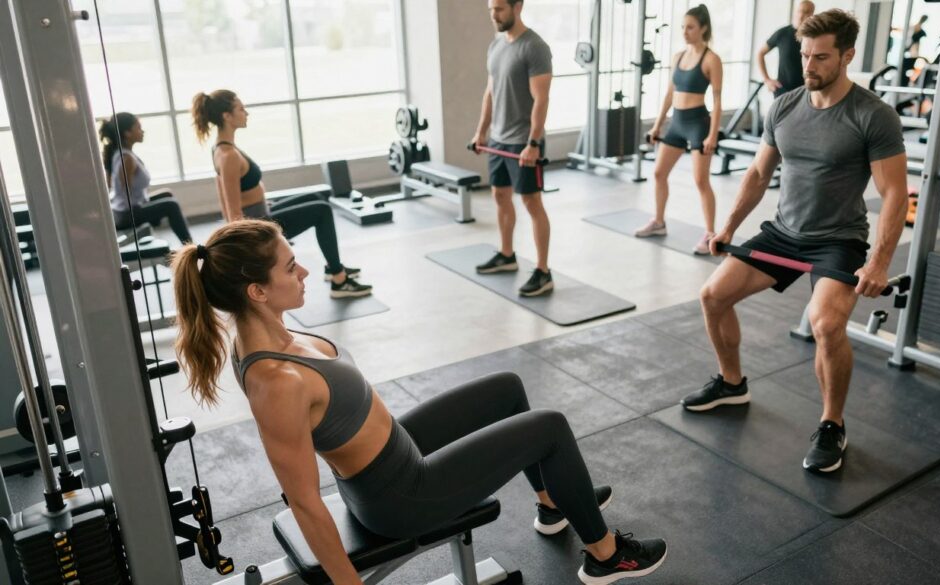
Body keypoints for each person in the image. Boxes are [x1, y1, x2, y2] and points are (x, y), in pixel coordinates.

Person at [170, 219, 668, 585]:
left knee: (507, 388)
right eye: (288, 265)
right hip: (400, 497)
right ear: (256, 290)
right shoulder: (275, 381)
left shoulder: (272, 327)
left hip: (396, 449)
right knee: (550, 427)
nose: (303, 269)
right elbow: (302, 499)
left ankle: (554, 503)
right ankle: (606, 556)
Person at [684, 9, 908, 474]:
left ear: (847, 56)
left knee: (826, 325)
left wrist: (880, 262)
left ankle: (832, 423)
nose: (808, 66)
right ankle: (731, 383)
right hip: (783, 233)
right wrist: (727, 227)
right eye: (804, 54)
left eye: (821, 57)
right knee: (712, 296)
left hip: (837, 240)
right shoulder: (785, 105)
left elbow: (894, 195)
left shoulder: (873, 115)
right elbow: (758, 173)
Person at [190, 90, 371, 299]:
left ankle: (333, 267)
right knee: (322, 211)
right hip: (259, 229)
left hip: (261, 214)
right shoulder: (228, 155)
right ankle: (339, 281)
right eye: (241, 108)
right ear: (226, 116)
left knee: (317, 199)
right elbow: (233, 212)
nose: (246, 113)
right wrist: (250, 249)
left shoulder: (222, 148)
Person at [470, 0, 555, 297]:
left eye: (499, 10)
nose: (494, 15)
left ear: (518, 6)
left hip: (523, 141)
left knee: (532, 203)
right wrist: (482, 131)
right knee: (500, 196)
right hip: (499, 138)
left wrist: (533, 142)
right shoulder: (496, 45)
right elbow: (490, 92)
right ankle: (507, 255)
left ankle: (544, 272)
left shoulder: (534, 47)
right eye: (491, 10)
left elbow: (541, 99)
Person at [635, 4, 723, 255]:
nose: (685, 32)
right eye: (683, 27)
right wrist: (657, 125)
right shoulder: (678, 57)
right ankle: (659, 222)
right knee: (659, 173)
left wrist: (712, 134)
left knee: (700, 180)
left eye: (691, 27)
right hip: (677, 122)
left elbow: (717, 101)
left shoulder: (711, 59)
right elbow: (669, 94)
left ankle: (709, 234)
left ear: (703, 28)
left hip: (698, 123)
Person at [99, 112, 193, 245]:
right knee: (171, 205)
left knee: (167, 194)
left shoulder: (122, 154)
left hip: (128, 208)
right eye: (138, 128)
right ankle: (190, 247)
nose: (142, 131)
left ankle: (186, 243)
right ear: (127, 133)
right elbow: (126, 196)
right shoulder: (127, 159)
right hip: (126, 215)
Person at [757, 1, 816, 98]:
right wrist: (767, 80)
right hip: (782, 91)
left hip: (806, 92)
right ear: (795, 12)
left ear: (812, 15)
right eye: (799, 11)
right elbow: (760, 53)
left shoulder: (814, 37)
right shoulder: (782, 33)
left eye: (806, 12)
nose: (801, 15)